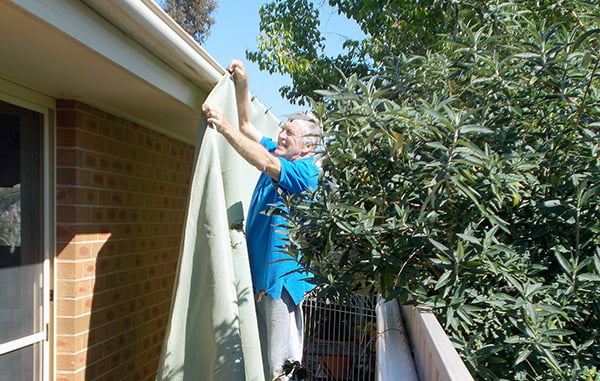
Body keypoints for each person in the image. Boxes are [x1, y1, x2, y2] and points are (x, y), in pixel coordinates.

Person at [202, 59, 321, 380]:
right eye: (282, 128)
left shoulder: (306, 173)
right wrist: (243, 83)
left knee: (283, 366)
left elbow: (262, 159)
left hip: (281, 283)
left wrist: (222, 127)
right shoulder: (282, 152)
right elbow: (246, 126)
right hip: (263, 281)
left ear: (308, 146)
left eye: (289, 133)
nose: (280, 135)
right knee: (265, 361)